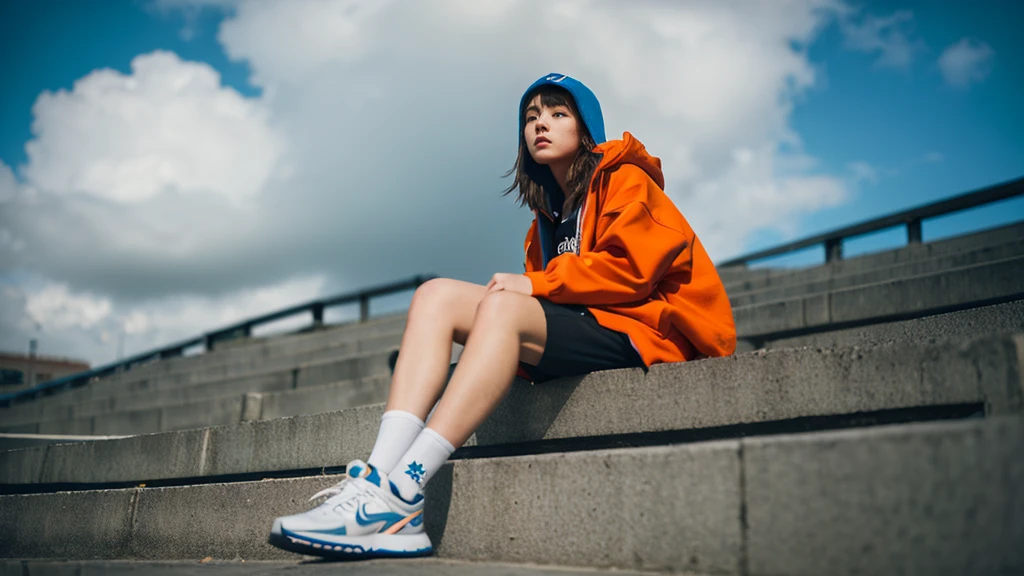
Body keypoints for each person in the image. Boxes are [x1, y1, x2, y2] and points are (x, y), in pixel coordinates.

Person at [268, 73, 736, 559]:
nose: (541, 125)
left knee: (505, 304)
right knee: (435, 295)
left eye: (558, 114)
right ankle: (379, 480)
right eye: (531, 117)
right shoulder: (543, 225)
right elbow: (551, 310)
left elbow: (634, 271)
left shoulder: (624, 179)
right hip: (593, 329)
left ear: (586, 129)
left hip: (653, 331)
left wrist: (535, 284)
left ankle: (406, 489)